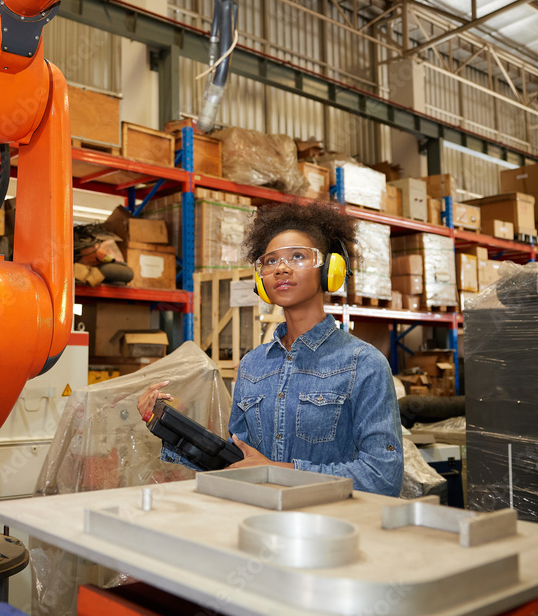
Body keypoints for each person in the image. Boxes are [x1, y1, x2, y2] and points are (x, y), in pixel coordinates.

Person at [137, 201, 404, 496]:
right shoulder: (253, 365)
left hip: (330, 528)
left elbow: (383, 476)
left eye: (298, 256)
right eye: (271, 261)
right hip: (262, 522)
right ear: (260, 279)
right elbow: (239, 463)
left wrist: (277, 472)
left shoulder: (363, 363)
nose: (281, 269)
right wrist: (167, 426)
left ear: (330, 269)